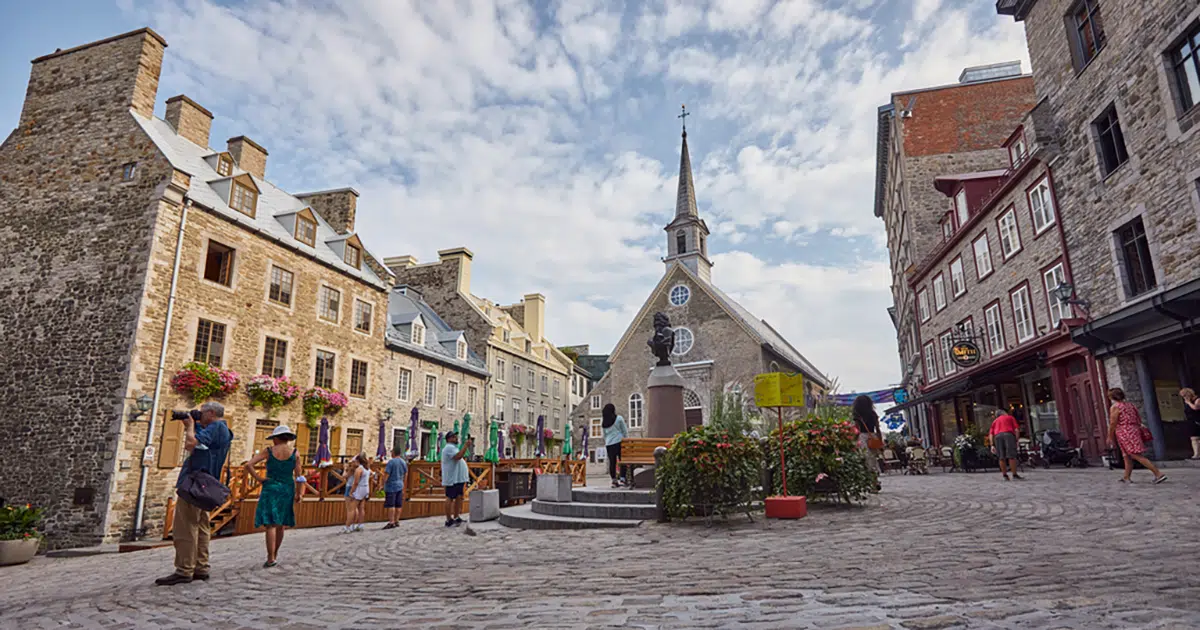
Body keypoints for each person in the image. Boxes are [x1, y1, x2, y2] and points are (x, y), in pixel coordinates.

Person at [156, 402, 234, 586]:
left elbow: (191, 444)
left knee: (186, 527)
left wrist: (190, 426)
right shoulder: (224, 430)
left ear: (211, 413)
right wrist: (192, 424)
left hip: (195, 484)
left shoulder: (215, 427)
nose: (200, 414)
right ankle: (201, 566)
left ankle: (184, 569)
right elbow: (203, 445)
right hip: (207, 485)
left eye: (203, 412)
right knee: (202, 526)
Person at [245, 425, 302, 567]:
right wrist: (299, 493)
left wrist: (259, 478)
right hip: (287, 488)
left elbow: (249, 464)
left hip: (270, 487)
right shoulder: (295, 453)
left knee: (270, 524)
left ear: (276, 438)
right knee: (281, 524)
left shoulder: (269, 451)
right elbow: (299, 476)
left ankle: (270, 558)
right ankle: (275, 554)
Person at [1107, 388, 1167, 484]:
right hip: (1134, 429)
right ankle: (1126, 477)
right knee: (1126, 455)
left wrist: (1110, 436)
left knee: (1135, 454)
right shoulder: (1130, 405)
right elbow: (1138, 418)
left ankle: (1158, 473)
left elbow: (1113, 422)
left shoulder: (1115, 407)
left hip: (1124, 431)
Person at [441, 431, 473, 527]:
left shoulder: (453, 447)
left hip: (458, 478)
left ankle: (456, 516)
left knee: (459, 496)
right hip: (452, 478)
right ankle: (448, 519)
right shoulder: (449, 448)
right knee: (450, 497)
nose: (456, 438)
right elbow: (458, 456)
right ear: (449, 439)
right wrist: (466, 446)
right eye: (454, 437)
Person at [988, 410, 1023, 481]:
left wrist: (992, 445)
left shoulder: (994, 421)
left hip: (997, 436)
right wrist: (1016, 440)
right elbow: (1016, 430)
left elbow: (991, 434)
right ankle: (1014, 474)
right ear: (1004, 413)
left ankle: (1005, 475)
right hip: (1008, 435)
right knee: (1011, 456)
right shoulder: (1010, 418)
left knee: (1001, 456)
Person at [851, 395, 881, 475]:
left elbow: (857, 429)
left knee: (865, 456)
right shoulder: (873, 414)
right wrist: (880, 440)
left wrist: (853, 440)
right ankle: (874, 473)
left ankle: (868, 474)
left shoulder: (857, 415)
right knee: (873, 456)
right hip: (873, 436)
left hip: (862, 437)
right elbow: (877, 428)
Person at [382, 445, 409, 529]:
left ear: (393, 452)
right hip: (400, 485)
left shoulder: (391, 462)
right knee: (398, 505)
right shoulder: (403, 462)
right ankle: (397, 520)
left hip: (391, 485)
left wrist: (382, 484)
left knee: (391, 505)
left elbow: (387, 474)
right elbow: (406, 474)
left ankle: (391, 521)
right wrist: (404, 484)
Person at [601, 403, 628, 488]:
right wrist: (626, 440)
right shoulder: (619, 418)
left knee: (612, 462)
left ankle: (614, 481)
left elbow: (604, 435)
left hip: (609, 444)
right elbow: (624, 431)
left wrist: (608, 441)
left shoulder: (604, 423)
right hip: (620, 442)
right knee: (622, 461)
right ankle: (623, 479)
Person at [342, 454, 370, 533]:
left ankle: (348, 526)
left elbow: (356, 482)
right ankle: (360, 525)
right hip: (365, 488)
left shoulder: (359, 469)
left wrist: (351, 492)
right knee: (361, 507)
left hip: (359, 488)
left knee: (351, 509)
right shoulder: (366, 468)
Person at [1181, 388, 1200, 460]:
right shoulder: (1187, 401)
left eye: (1185, 395)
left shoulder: (1197, 399)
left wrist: (1189, 402)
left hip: (1197, 420)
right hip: (1191, 421)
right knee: (1193, 438)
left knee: (1198, 438)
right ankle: (1196, 454)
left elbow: (1196, 408)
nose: (1184, 397)